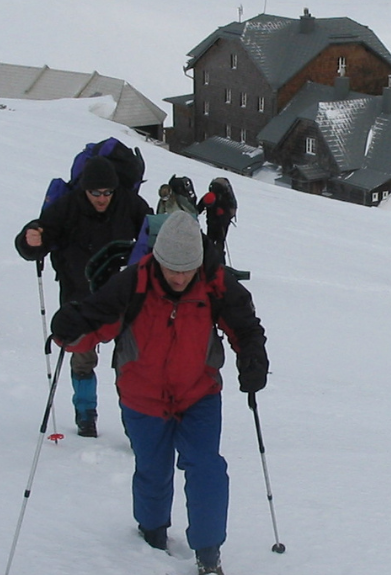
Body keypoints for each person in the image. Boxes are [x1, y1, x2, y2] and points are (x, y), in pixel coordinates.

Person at [50, 211, 268, 575]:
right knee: (152, 469)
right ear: (159, 260)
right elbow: (94, 321)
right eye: (172, 269)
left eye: (187, 270)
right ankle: (151, 535)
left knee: (207, 467)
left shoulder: (214, 281)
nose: (180, 278)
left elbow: (245, 324)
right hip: (142, 396)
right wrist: (67, 328)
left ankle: (209, 552)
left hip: (198, 392)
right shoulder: (132, 283)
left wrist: (253, 357)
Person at [15, 156, 151, 437]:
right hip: (80, 297)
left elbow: (153, 232)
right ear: (84, 190)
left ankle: (135, 422)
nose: (103, 199)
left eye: (108, 193)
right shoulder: (66, 208)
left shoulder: (129, 204)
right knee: (82, 358)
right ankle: (86, 414)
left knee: (131, 360)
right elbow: (40, 237)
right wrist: (30, 239)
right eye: (96, 193)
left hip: (126, 297)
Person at [197, 178, 236, 261]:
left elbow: (228, 215)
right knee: (211, 240)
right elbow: (198, 208)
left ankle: (218, 260)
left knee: (219, 241)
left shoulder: (223, 201)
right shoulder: (207, 198)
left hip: (222, 223)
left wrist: (222, 217)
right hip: (212, 221)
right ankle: (210, 258)